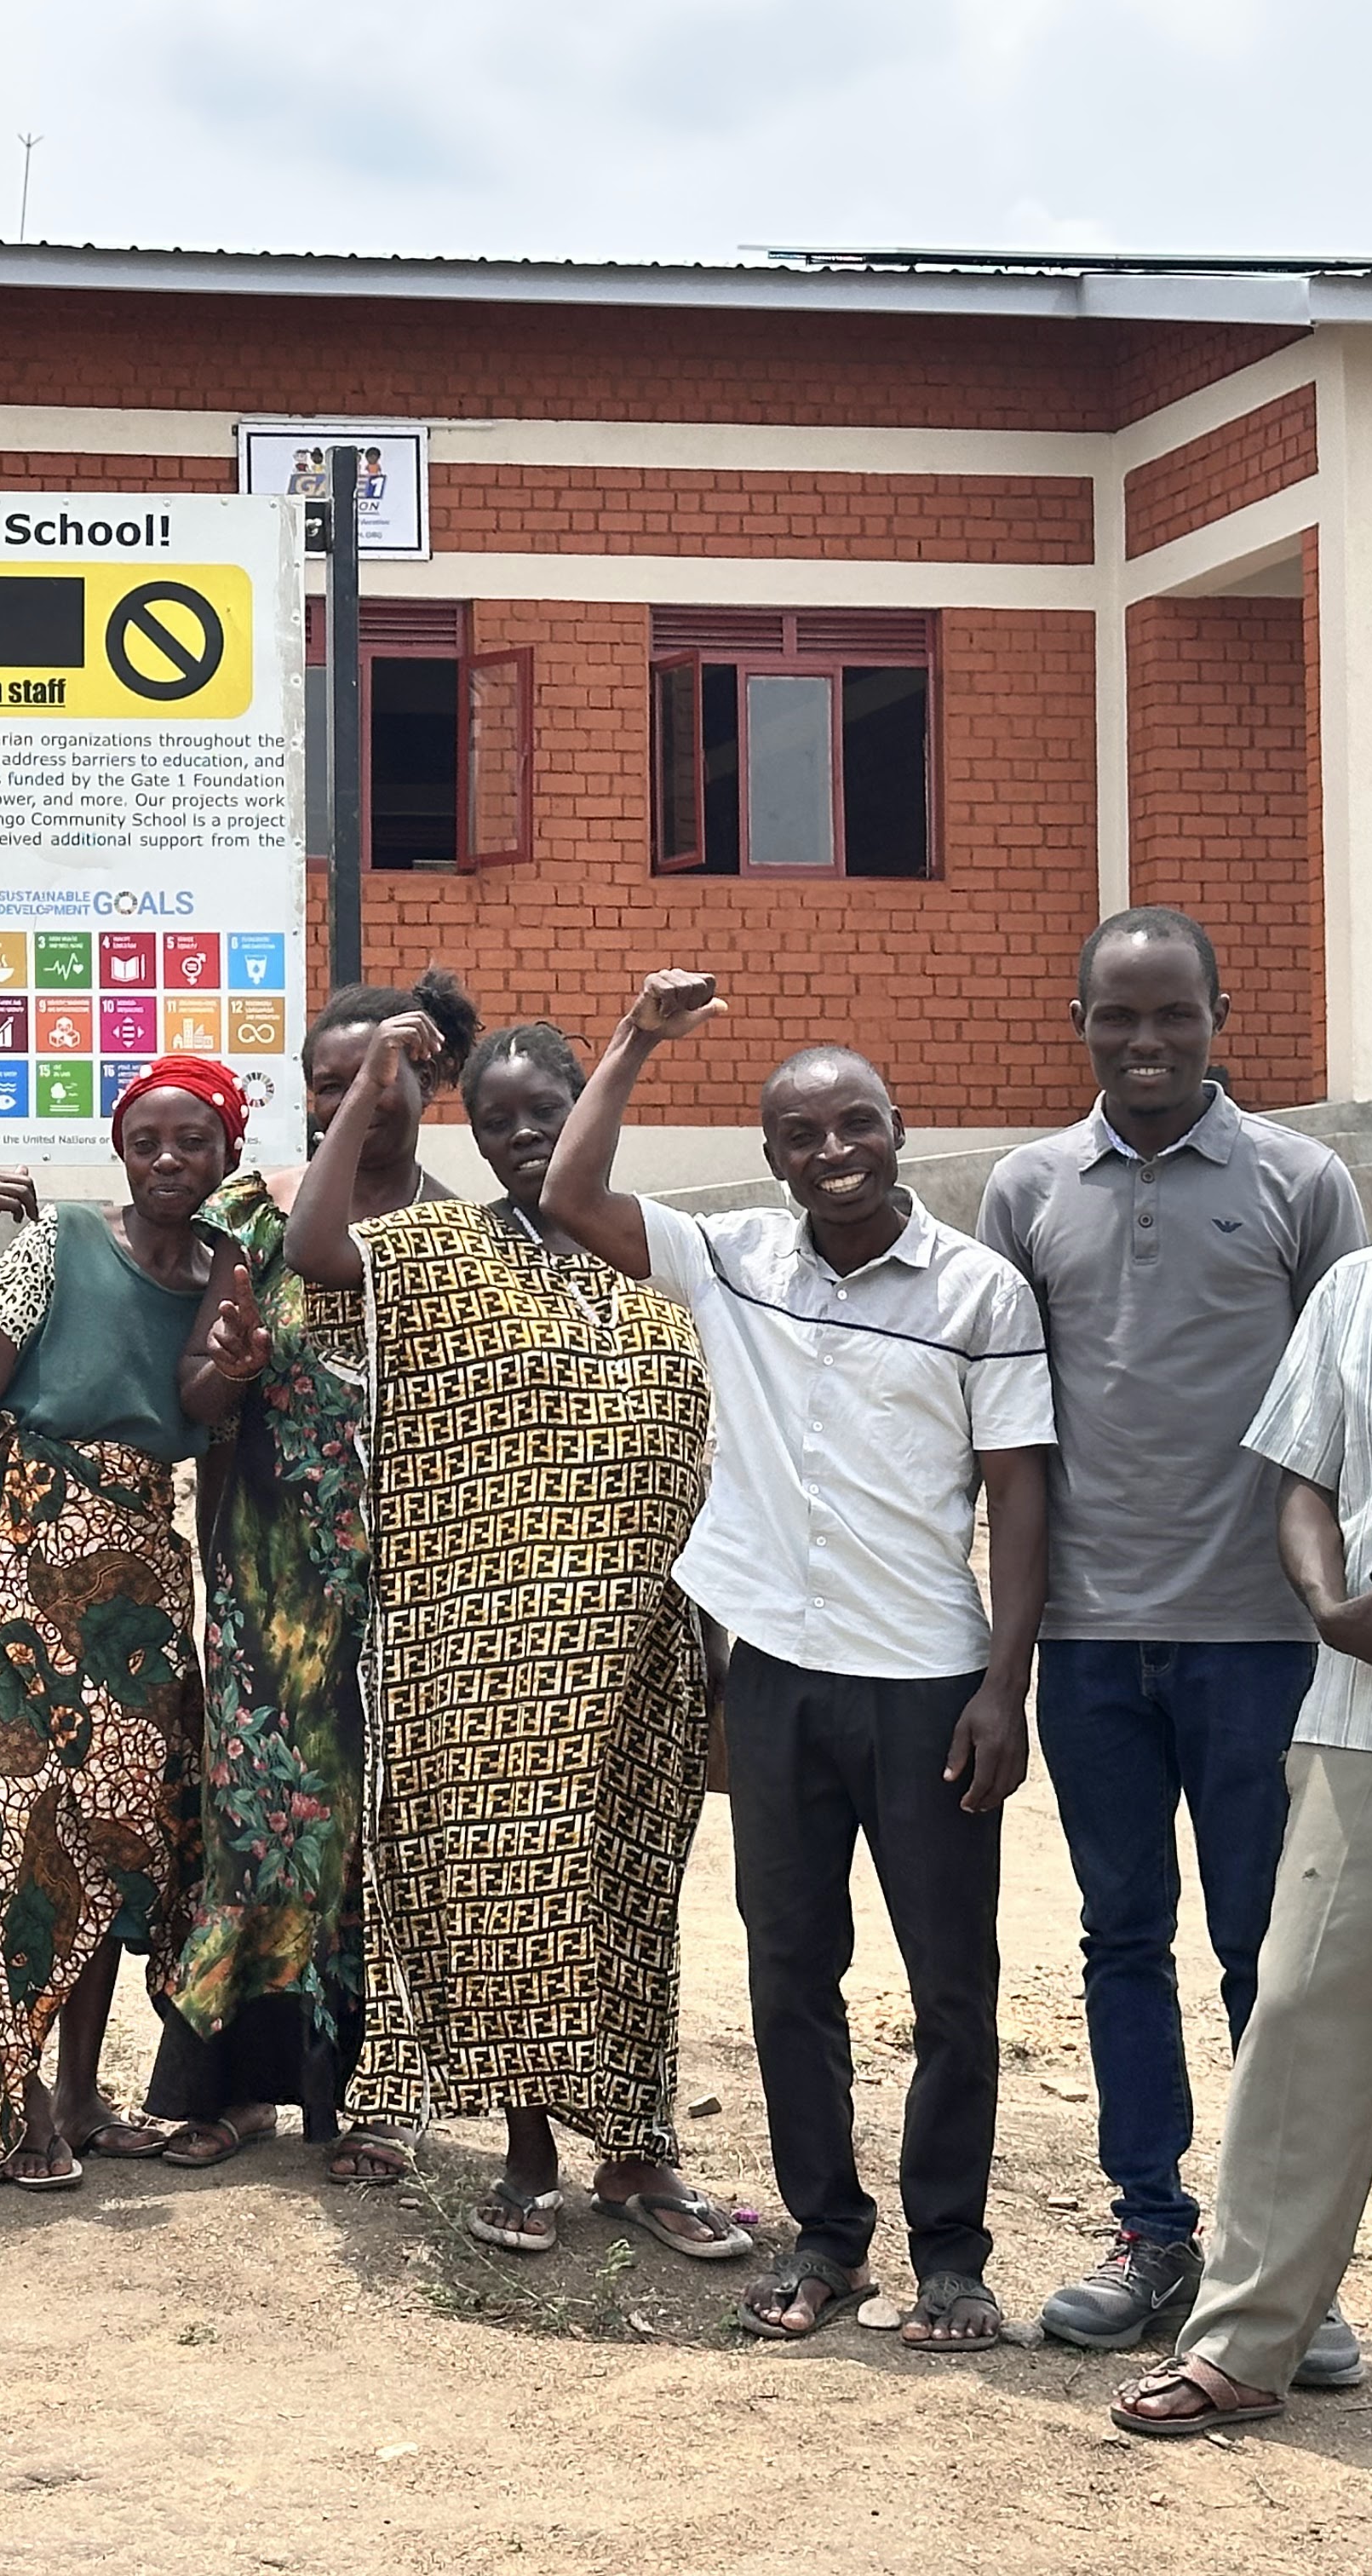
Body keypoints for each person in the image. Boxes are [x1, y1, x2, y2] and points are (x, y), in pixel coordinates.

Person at [542, 970, 1051, 2350]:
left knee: (951, 1987)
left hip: (927, 1681)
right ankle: (826, 2236)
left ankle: (951, 2256)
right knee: (789, 1970)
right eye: (803, 1135)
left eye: (857, 1124)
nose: (835, 1152)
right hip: (773, 1674)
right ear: (770, 1158)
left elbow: (1020, 1496)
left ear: (898, 1130)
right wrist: (635, 1040)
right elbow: (573, 1194)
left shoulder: (979, 1290)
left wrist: (1004, 1689)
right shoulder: (733, 1262)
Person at [244, 1012, 748, 2260]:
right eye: (496, 1118)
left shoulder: (661, 1261)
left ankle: (636, 2153)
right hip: (478, 1659)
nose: (524, 1135)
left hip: (643, 1649)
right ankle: (527, 2153)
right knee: (503, 1898)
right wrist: (376, 1077)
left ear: (591, 1111)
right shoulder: (437, 1246)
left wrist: (717, 1649)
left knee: (629, 1896)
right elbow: (313, 1246)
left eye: (547, 1112)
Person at [973, 909, 1369, 2366]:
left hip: (1259, 1639)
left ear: (1220, 1016)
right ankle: (1152, 2230)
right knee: (1120, 1937)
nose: (1146, 1042)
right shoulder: (1024, 1189)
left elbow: (1350, 1400)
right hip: (1089, 1640)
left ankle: (1286, 2264)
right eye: (1118, 1016)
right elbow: (1002, 1426)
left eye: (1173, 1015)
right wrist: (1006, 1655)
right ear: (1076, 1021)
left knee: (1271, 1951)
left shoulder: (1301, 1181)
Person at [1114, 1022, 1372, 2458]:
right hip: (1358, 1721)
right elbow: (1298, 1475)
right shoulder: (1356, 1289)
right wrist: (1332, 1610)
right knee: (1295, 2026)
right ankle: (1243, 2343)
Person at [146, 975, 472, 2183]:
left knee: (384, 1827)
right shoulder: (254, 1210)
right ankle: (231, 2087)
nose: (348, 1103)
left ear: (426, 1087)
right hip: (267, 1579)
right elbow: (196, 1392)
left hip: (405, 1581)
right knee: (260, 1825)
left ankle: (376, 2098)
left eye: (373, 1080)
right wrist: (229, 1368)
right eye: (327, 1085)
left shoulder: (458, 1235)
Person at [0, 1054, 232, 2187]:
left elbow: (208, 1411)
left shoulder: (226, 1268)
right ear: (121, 1152)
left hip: (136, 1577)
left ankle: (81, 2093)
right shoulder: (59, 1240)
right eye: (146, 1141)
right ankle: (22, 2105)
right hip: (11, 1552)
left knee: (115, 1825)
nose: (167, 1161)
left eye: (192, 1142)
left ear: (225, 1154)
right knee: (14, 1819)